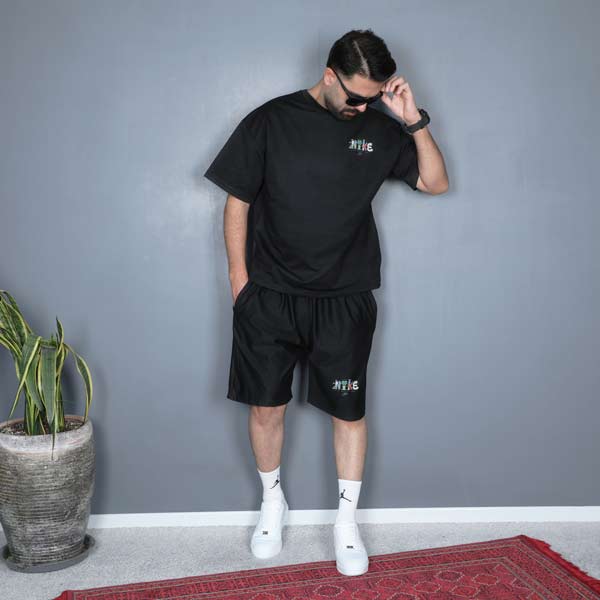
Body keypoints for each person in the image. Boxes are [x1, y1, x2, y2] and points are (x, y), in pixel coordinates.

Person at [203, 28, 449, 577]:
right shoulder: (270, 121)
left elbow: (436, 183)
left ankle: (345, 523)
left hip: (344, 299)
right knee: (265, 407)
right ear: (329, 75)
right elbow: (237, 201)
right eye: (356, 96)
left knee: (348, 411)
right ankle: (272, 502)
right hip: (270, 297)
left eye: (373, 97)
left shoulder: (380, 130)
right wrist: (241, 284)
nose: (363, 107)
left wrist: (412, 120)